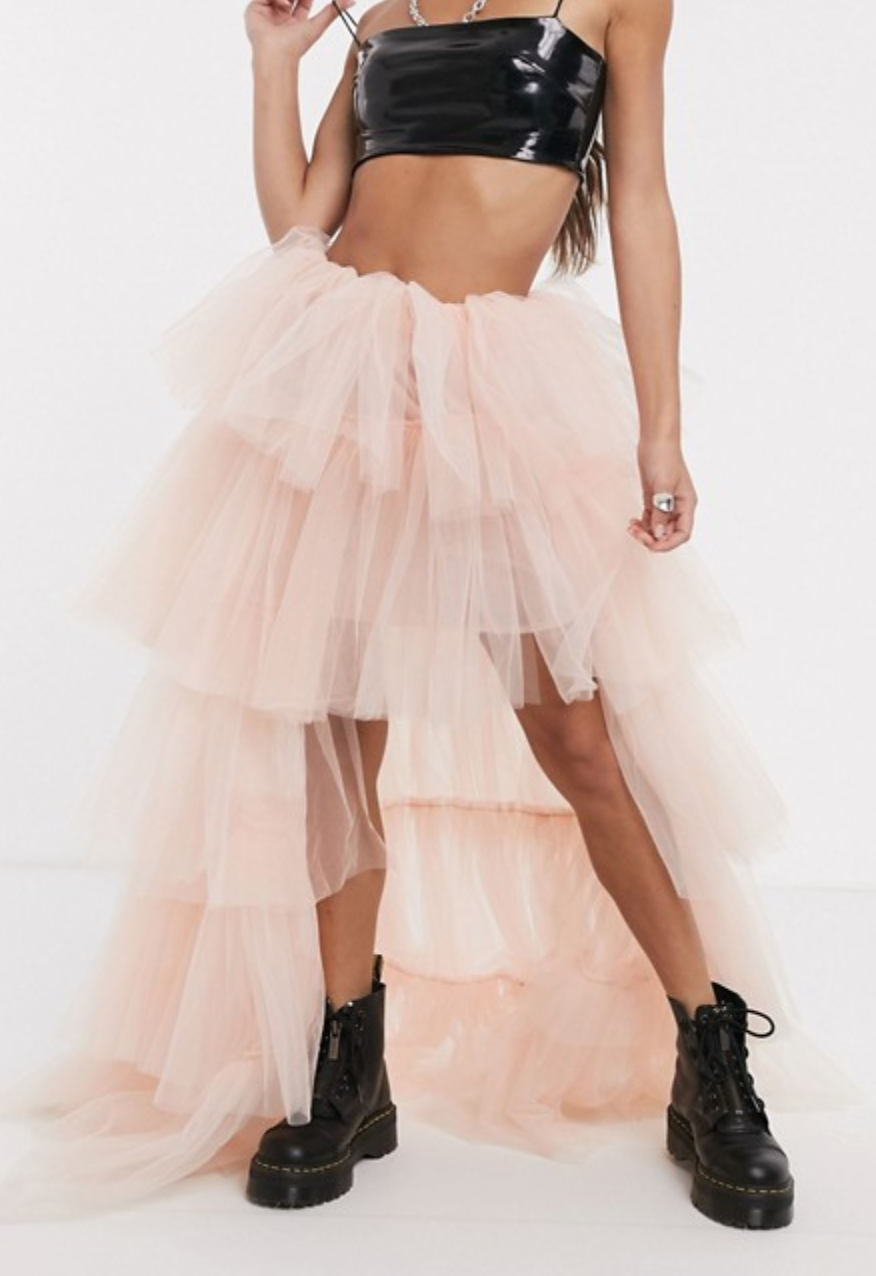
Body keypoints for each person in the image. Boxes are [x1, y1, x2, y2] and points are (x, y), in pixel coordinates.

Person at [4, 0, 803, 1231]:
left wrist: (662, 429)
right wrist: (274, 62)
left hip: (492, 401)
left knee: (579, 737)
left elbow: (642, 202)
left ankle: (710, 1055)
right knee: (337, 730)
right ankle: (350, 1059)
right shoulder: (383, 13)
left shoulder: (613, 3)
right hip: (349, 384)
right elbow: (300, 226)